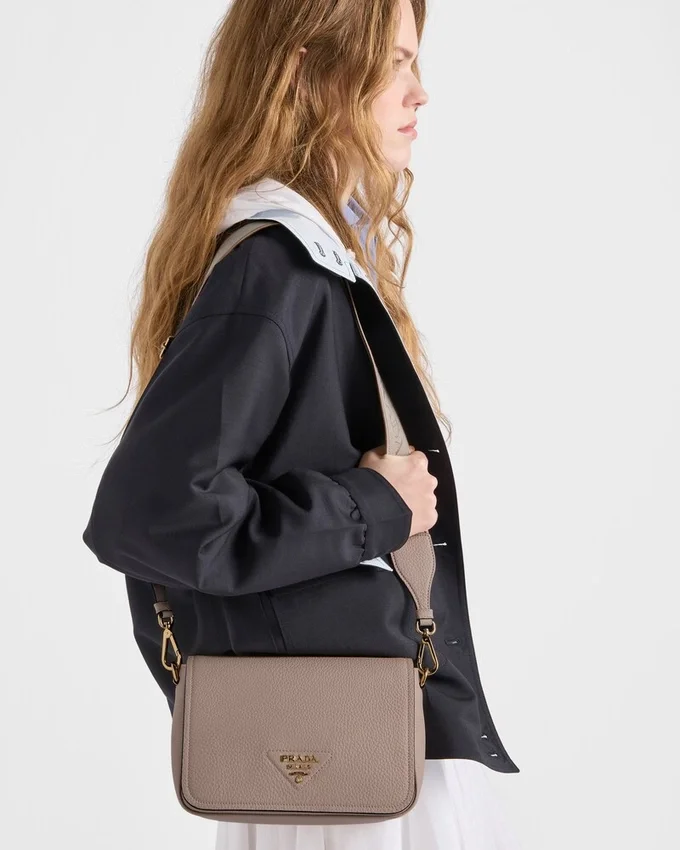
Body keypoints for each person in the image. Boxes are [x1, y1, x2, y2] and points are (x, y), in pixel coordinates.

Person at [82, 0, 522, 847]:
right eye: (395, 62)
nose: (420, 92)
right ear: (311, 72)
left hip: (341, 740)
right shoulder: (277, 268)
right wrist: (374, 505)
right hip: (341, 762)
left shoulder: (313, 259)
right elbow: (154, 513)